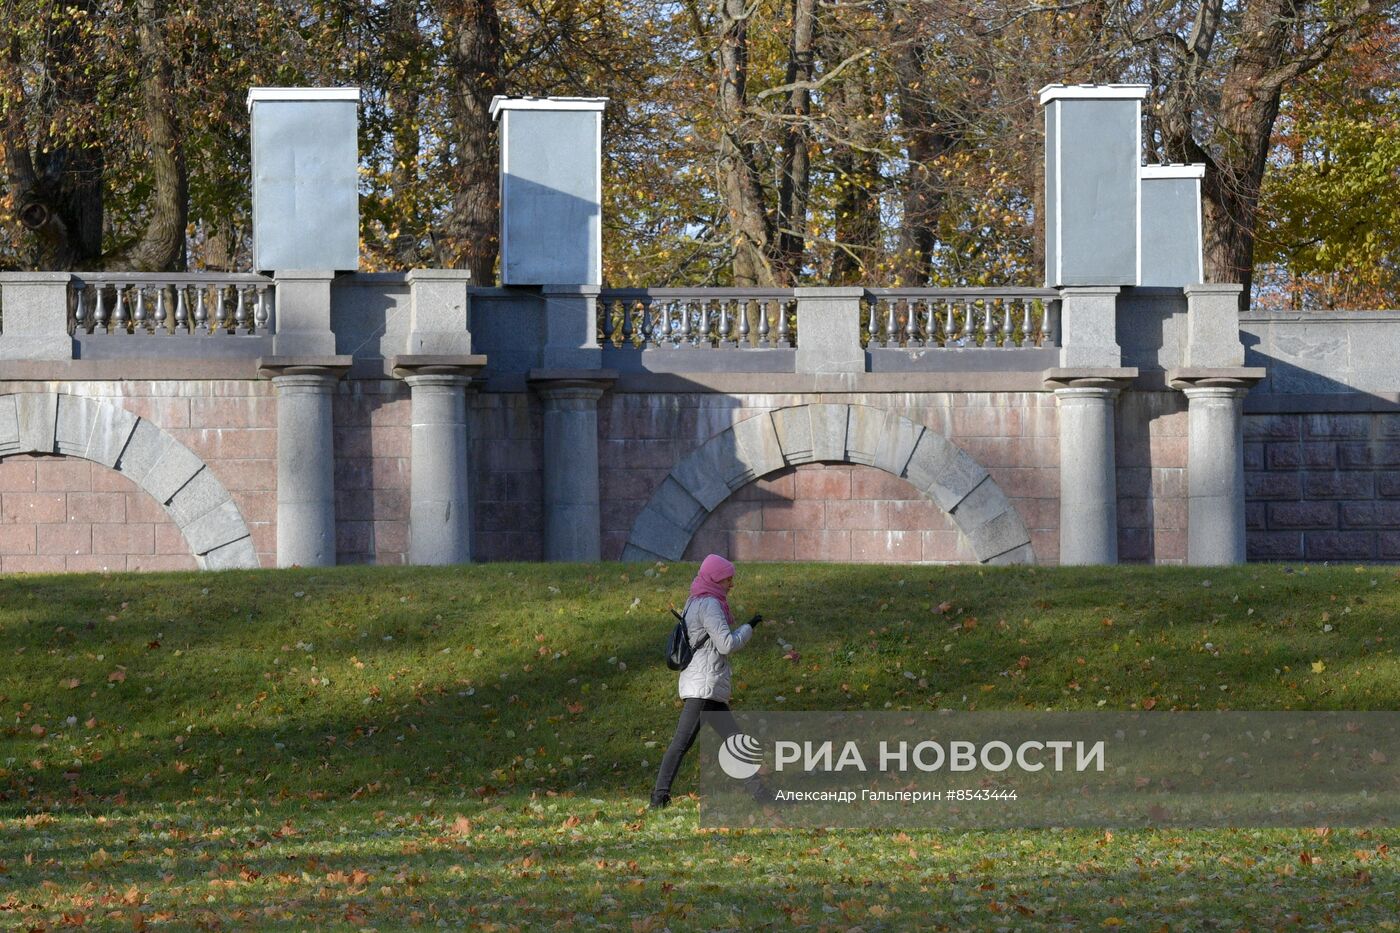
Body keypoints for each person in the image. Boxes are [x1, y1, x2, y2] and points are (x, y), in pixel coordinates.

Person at [650, 553, 768, 809]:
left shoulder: (694, 600)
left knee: (734, 740)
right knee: (681, 743)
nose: (731, 584)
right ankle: (658, 798)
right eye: (727, 579)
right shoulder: (711, 604)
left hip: (706, 683)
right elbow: (726, 644)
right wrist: (748, 628)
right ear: (716, 579)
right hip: (704, 686)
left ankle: (760, 794)